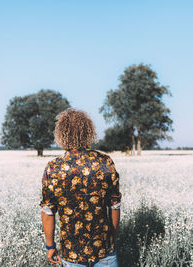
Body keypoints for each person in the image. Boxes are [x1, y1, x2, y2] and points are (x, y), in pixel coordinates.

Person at [40, 108, 122, 267]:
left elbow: (48, 211)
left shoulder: (54, 168)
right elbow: (115, 205)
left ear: (61, 134)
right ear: (88, 132)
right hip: (104, 250)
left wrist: (50, 246)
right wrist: (112, 239)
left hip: (71, 254)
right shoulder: (105, 162)